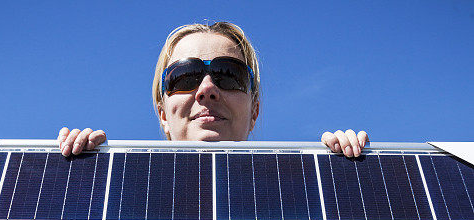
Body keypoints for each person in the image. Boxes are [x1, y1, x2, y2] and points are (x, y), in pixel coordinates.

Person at [57, 21, 368, 158]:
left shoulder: (304, 195)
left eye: (228, 74)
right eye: (184, 76)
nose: (206, 89)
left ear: (254, 110)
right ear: (163, 113)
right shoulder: (117, 193)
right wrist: (80, 183)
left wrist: (348, 179)